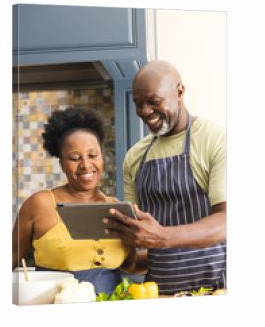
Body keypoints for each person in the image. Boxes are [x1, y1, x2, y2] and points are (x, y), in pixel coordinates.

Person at [103, 60, 226, 295]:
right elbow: (139, 236)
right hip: (160, 294)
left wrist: (162, 237)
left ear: (179, 91)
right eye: (138, 104)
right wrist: (126, 255)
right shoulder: (135, 156)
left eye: (154, 101)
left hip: (216, 292)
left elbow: (226, 221)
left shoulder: (215, 140)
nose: (145, 111)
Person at [12, 106, 132, 295]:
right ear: (62, 163)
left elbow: (131, 265)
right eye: (74, 158)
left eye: (93, 155)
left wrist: (159, 243)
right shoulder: (40, 204)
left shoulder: (116, 207)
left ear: (102, 158)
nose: (85, 165)